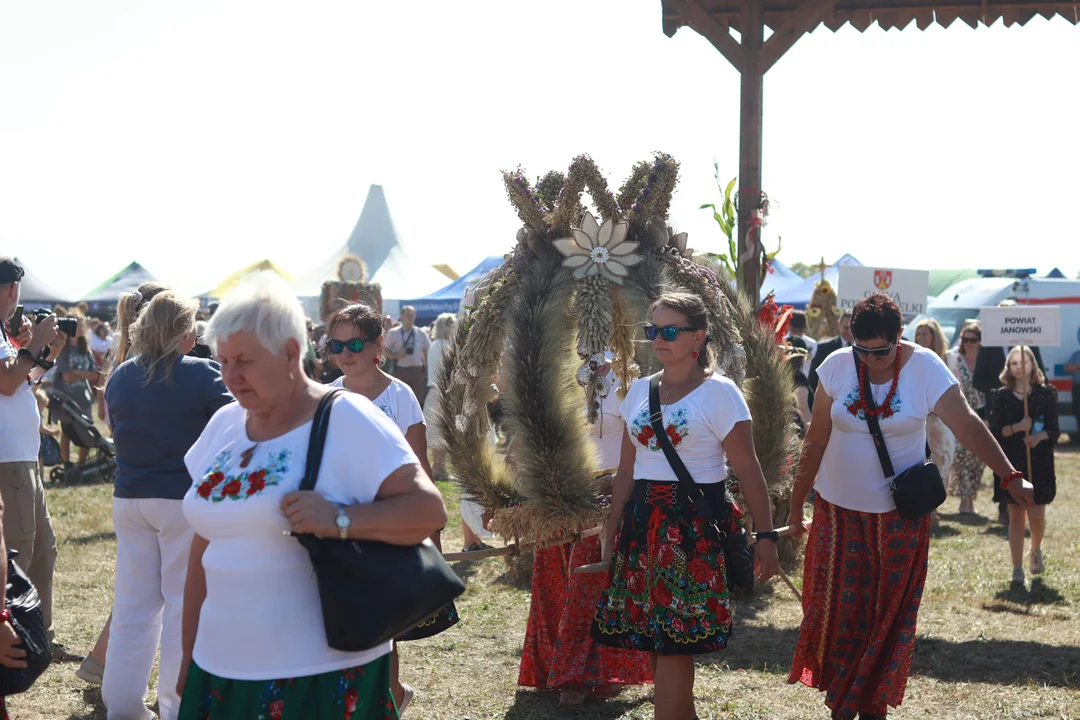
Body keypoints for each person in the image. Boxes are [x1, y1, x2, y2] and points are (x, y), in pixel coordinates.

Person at [176, 274, 447, 719]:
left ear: (290, 352)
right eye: (223, 360)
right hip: (221, 665)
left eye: (244, 360)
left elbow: (426, 509)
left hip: (320, 674)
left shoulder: (348, 416)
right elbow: (203, 545)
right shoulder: (224, 424)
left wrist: (341, 518)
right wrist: (188, 654)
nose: (230, 375)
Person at [786, 293, 1034, 720]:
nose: (869, 359)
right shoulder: (838, 366)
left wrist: (1010, 475)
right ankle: (842, 708)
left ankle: (872, 709)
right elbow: (816, 439)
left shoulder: (925, 368)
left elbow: (968, 426)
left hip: (899, 521)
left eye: (880, 351)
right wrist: (794, 509)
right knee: (840, 619)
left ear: (899, 337)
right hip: (837, 516)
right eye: (861, 349)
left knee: (885, 623)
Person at [592, 292, 779, 720]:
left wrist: (765, 537)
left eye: (670, 330)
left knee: (676, 644)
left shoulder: (721, 393)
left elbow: (749, 471)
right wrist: (612, 535)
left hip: (691, 528)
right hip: (642, 526)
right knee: (657, 640)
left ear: (698, 337)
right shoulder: (639, 389)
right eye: (652, 330)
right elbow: (626, 472)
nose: (658, 338)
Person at [102, 292, 233, 720]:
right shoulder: (202, 374)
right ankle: (176, 708)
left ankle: (121, 705)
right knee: (182, 606)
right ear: (183, 330)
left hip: (130, 498)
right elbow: (239, 422)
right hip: (181, 501)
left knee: (133, 609)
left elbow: (116, 427)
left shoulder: (121, 375)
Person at [325, 302, 457, 714]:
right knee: (341, 626)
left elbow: (421, 471)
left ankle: (390, 698)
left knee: (384, 632)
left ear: (378, 345)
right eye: (336, 344)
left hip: (389, 525)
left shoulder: (400, 397)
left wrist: (431, 538)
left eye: (356, 343)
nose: (346, 352)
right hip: (337, 525)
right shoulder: (325, 397)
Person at [520, 356, 653, 706]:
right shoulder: (555, 374)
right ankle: (563, 672)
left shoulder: (632, 382)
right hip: (561, 495)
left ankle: (592, 673)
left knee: (594, 586)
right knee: (557, 584)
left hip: (614, 494)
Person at [79, 281, 172, 684]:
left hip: (131, 483)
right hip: (159, 486)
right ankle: (102, 665)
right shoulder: (154, 364)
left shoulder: (125, 362)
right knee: (147, 592)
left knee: (139, 590)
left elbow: (109, 420)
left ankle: (101, 665)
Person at [0, 257, 83, 665]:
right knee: (17, 552)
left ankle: (40, 640)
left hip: (23, 460)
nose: (15, 297)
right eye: (13, 288)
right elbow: (6, 380)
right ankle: (14, 644)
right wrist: (34, 346)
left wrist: (44, 353)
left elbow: (20, 383)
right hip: (8, 462)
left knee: (42, 550)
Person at [988, 346, 1058, 585]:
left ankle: (1036, 549)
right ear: (1008, 367)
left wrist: (1039, 436)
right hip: (1011, 462)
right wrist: (1018, 427)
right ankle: (1017, 567)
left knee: (1037, 514)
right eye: (1014, 363)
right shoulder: (1001, 395)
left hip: (1040, 463)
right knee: (1016, 515)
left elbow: (1055, 431)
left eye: (1023, 361)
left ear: (1033, 364)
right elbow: (995, 431)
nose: (1019, 366)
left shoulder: (1047, 393)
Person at [914, 318, 956, 524]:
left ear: (934, 336)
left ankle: (935, 508)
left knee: (941, 461)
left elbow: (957, 388)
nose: (921, 338)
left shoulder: (947, 360)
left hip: (941, 419)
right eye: (918, 334)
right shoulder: (911, 359)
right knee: (921, 461)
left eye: (925, 334)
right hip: (919, 419)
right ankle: (924, 507)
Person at [946, 322, 987, 514]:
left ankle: (971, 498)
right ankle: (965, 501)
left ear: (980, 341)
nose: (969, 343)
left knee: (978, 458)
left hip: (982, 415)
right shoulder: (953, 358)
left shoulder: (986, 359)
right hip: (960, 413)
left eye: (973, 339)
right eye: (965, 339)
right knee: (961, 458)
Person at [52, 314, 100, 466]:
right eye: (78, 325)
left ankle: (81, 464)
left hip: (83, 399)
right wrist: (83, 375)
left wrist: (77, 373)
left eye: (83, 325)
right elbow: (67, 377)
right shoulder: (63, 349)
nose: (81, 328)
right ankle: (66, 463)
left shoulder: (85, 349)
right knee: (66, 431)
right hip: (66, 399)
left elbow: (95, 375)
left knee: (87, 430)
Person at [424, 313, 456, 479]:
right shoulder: (449, 345)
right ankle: (439, 468)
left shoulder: (434, 345)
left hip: (433, 391)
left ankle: (438, 467)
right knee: (443, 432)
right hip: (444, 393)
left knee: (437, 432)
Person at [384, 306, 431, 405]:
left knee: (416, 401)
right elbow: (383, 350)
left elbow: (427, 350)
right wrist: (396, 356)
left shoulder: (421, 333)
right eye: (407, 314)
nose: (410, 317)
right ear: (401, 316)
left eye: (412, 315)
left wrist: (426, 369)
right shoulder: (393, 333)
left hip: (417, 371)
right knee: (399, 401)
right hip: (400, 371)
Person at [809, 311, 851, 391]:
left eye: (852, 328)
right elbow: (814, 377)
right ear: (839, 324)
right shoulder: (823, 348)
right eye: (846, 328)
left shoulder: (863, 349)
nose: (849, 332)